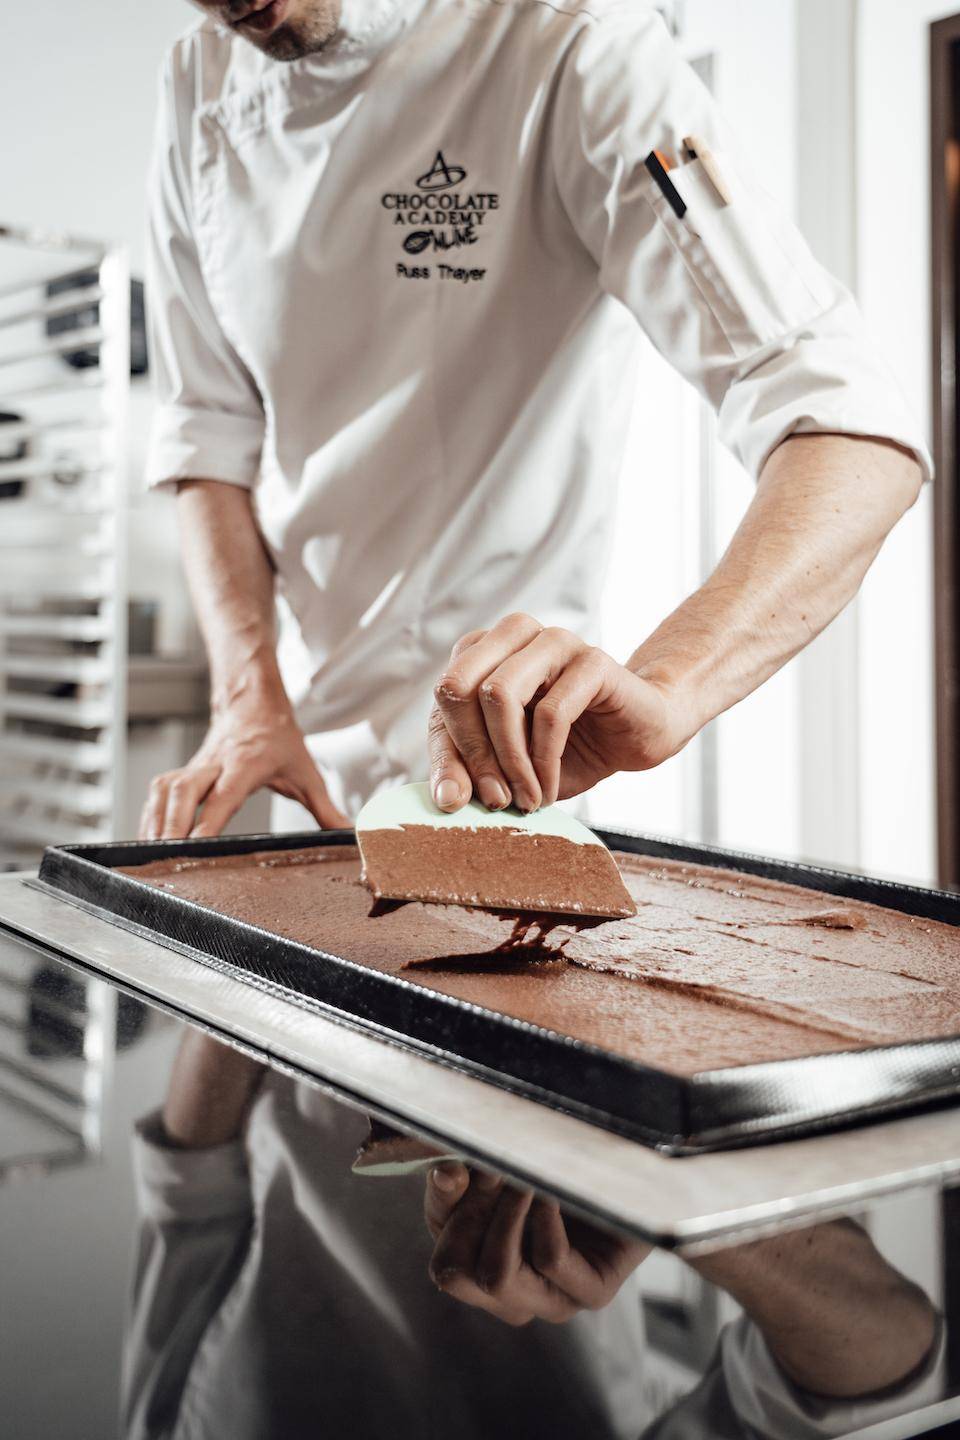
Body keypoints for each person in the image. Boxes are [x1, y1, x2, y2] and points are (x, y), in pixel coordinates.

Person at [138, 0, 931, 1430]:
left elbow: (848, 416)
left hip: (521, 803)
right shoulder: (198, 79)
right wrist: (252, 695)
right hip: (304, 821)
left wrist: (672, 682)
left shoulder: (572, 43)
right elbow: (205, 434)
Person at [121, 1033, 944, 1440]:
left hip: (297, 1033)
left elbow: (188, 1191)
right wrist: (646, 1181)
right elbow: (882, 1362)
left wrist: (251, 966)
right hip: (557, 995)